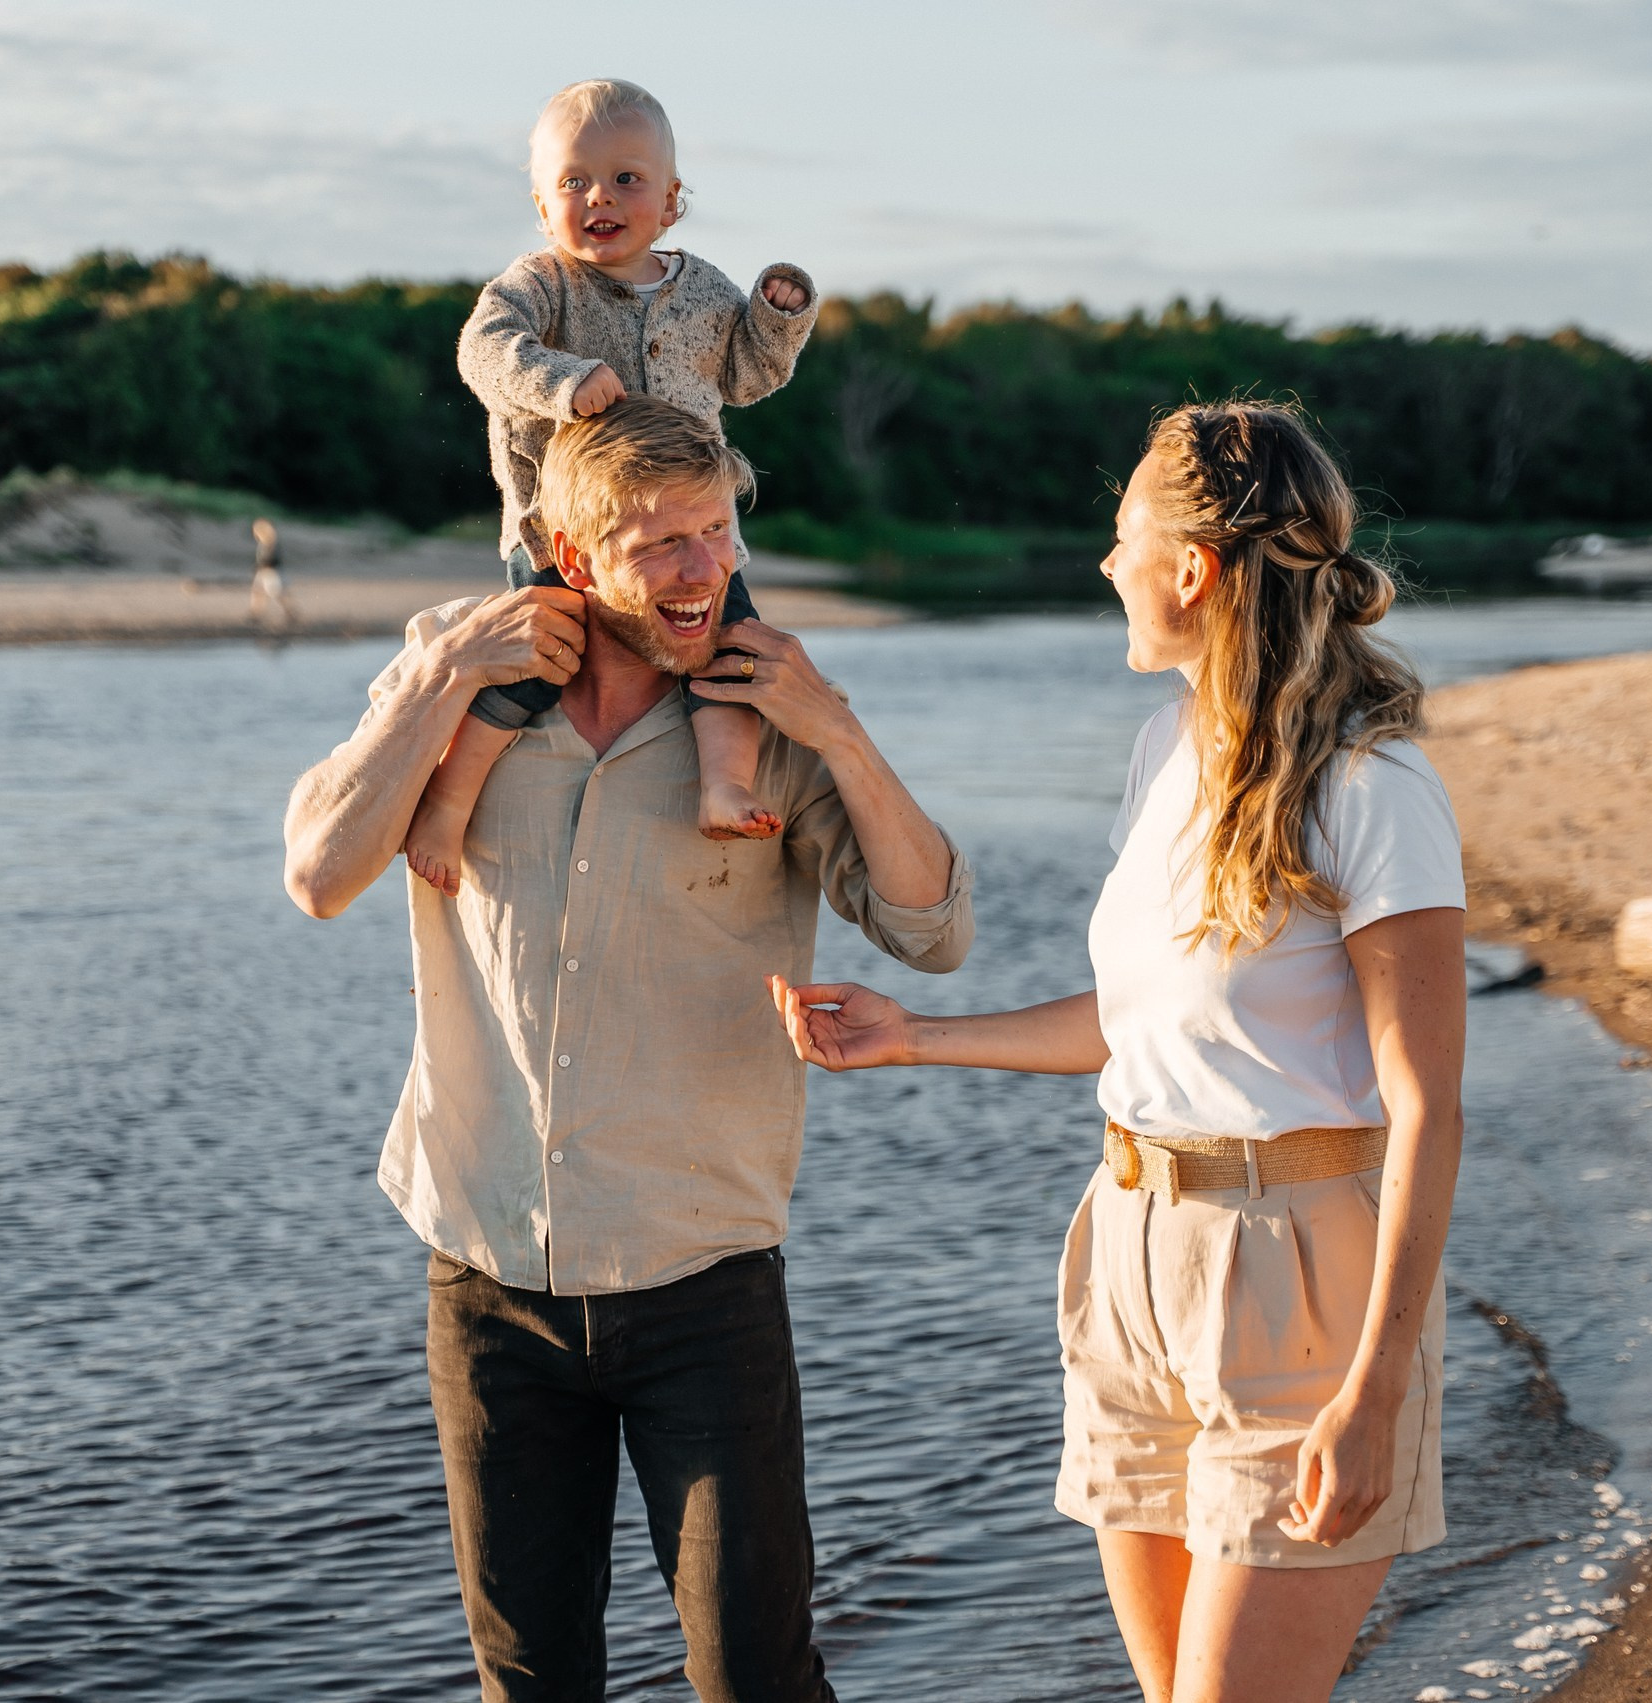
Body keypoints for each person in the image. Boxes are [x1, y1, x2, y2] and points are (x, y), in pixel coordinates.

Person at [768, 401, 1466, 1703]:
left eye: (1119, 534)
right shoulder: (1165, 751)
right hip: (1127, 1256)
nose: (1105, 565)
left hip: (1300, 1282)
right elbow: (1140, 1017)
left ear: (1192, 569)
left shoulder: (1374, 784)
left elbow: (1429, 1107)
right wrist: (917, 1034)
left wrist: (1375, 1389)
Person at [282, 394, 973, 1703]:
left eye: (714, 530)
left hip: (703, 1281)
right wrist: (436, 679)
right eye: (659, 541)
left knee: (755, 1675)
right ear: (574, 551)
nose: (701, 567)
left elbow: (933, 932)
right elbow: (319, 874)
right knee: (531, 1680)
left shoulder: (766, 709)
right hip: (489, 1282)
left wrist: (840, 730)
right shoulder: (460, 678)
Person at [402, 77, 819, 895]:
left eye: (627, 179)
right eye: (573, 181)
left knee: (729, 648)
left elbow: (746, 375)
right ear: (540, 203)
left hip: (690, 531)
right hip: (561, 530)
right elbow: (480, 352)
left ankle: (725, 783)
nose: (599, 196)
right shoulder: (540, 285)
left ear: (671, 202)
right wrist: (559, 378)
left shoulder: (703, 291)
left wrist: (778, 318)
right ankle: (449, 804)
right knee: (536, 659)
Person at [249, 516, 295, 628]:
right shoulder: (263, 544)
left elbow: (272, 559)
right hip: (263, 571)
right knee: (257, 591)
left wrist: (261, 566)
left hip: (270, 572)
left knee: (277, 593)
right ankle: (255, 613)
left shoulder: (271, 544)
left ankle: (291, 612)